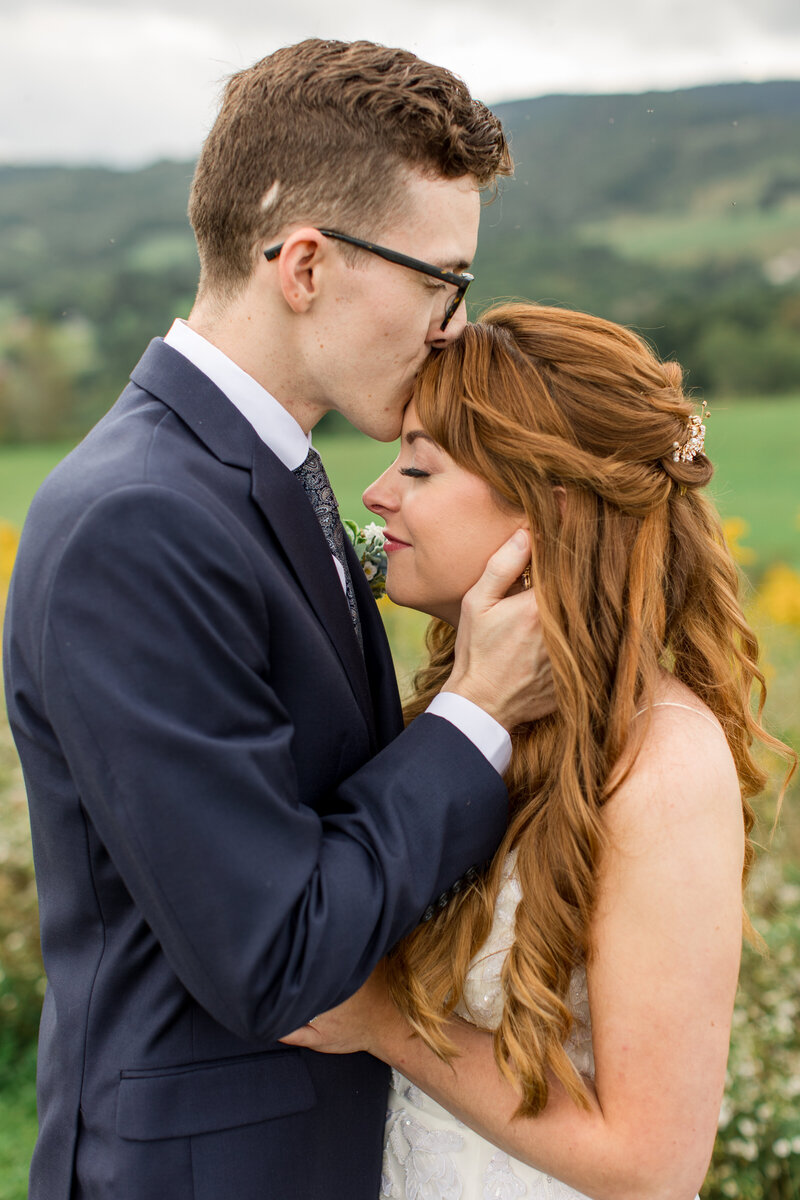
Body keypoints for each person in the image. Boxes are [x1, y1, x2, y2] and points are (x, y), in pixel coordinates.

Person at [1, 42, 554, 1200]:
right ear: (303, 264)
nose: (452, 324)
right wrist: (475, 714)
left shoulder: (255, 478)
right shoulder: (138, 521)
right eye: (438, 280)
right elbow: (275, 952)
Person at [281, 303, 795, 1200]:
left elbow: (653, 1166)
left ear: (546, 509)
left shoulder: (661, 764)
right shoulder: (456, 719)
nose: (376, 492)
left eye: (419, 466)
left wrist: (385, 1023)